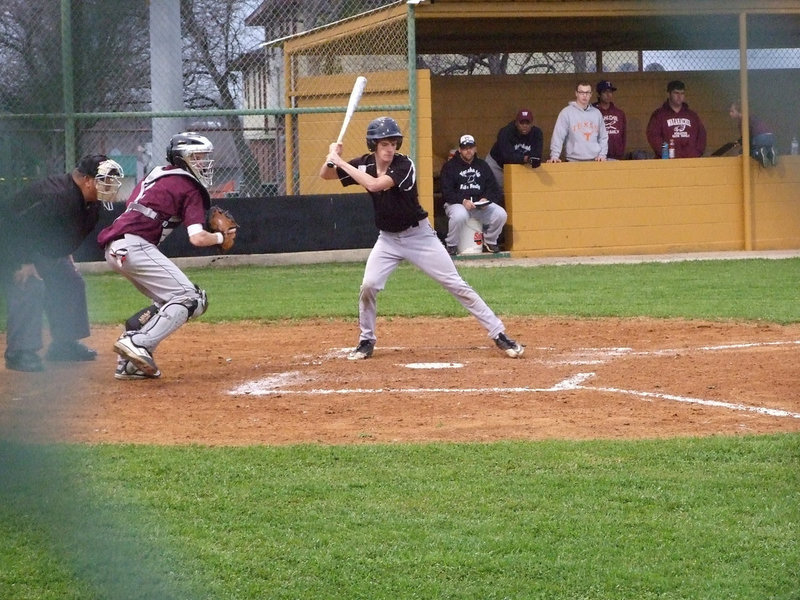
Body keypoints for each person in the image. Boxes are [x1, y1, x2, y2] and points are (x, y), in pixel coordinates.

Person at [320, 116, 524, 361]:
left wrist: (341, 162)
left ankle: (499, 333)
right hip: (388, 240)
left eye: (393, 143)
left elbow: (375, 185)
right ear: (373, 145)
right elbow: (326, 176)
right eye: (384, 144)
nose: (389, 149)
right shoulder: (364, 164)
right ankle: (366, 340)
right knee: (369, 286)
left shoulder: (404, 165)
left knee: (456, 284)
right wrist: (331, 159)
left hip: (419, 237)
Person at [97, 132, 236, 380]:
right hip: (135, 246)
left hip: (115, 248)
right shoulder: (190, 186)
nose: (204, 163)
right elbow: (197, 238)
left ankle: (128, 362)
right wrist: (219, 237)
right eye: (198, 157)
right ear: (182, 158)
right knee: (191, 298)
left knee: (167, 301)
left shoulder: (155, 175)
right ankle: (139, 343)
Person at [1, 155, 124, 372]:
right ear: (87, 180)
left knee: (70, 281)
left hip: (36, 246)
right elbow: (15, 226)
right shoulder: (57, 196)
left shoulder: (91, 201)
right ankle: (19, 353)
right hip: (11, 245)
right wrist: (24, 262)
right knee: (30, 286)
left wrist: (65, 253)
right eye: (104, 180)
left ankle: (63, 345)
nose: (109, 185)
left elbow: (62, 230)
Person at [439, 134, 506, 255]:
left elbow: (493, 188)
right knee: (459, 215)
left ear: (475, 148)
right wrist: (463, 201)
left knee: (500, 214)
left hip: (479, 206)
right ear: (460, 150)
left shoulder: (482, 165)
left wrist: (486, 199)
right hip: (457, 204)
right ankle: (451, 245)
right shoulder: (450, 166)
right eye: (465, 148)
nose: (468, 150)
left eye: (470, 147)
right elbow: (446, 192)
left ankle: (490, 241)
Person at [485, 108, 543, 195]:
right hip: (497, 164)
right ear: (516, 123)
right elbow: (507, 156)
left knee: (520, 192)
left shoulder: (537, 133)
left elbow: (537, 155)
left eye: (527, 123)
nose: (525, 126)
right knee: (498, 191)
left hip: (519, 166)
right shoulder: (506, 132)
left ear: (532, 124)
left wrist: (532, 159)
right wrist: (526, 158)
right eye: (522, 123)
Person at [548, 80, 608, 163]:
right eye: (581, 92)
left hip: (594, 161)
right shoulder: (566, 112)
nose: (584, 95)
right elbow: (558, 136)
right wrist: (554, 155)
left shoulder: (597, 113)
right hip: (573, 161)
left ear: (591, 94)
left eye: (587, 93)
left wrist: (602, 155)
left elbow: (603, 137)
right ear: (576, 93)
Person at [646, 80, 707, 159]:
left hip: (690, 159)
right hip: (667, 160)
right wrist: (667, 154)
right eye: (676, 93)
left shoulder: (692, 116)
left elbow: (702, 136)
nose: (679, 96)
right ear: (668, 94)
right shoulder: (659, 115)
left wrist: (695, 153)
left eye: (682, 93)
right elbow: (654, 136)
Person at [728, 101, 777, 167]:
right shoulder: (752, 116)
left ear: (739, 111)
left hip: (760, 137)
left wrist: (740, 146)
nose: (730, 114)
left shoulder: (743, 120)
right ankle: (771, 152)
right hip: (771, 136)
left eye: (732, 111)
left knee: (749, 152)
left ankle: (759, 153)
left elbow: (746, 137)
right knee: (765, 149)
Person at [593, 80, 627, 160]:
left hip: (616, 156)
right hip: (597, 157)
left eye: (610, 92)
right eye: (605, 92)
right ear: (598, 94)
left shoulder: (619, 113)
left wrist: (620, 152)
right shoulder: (592, 112)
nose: (608, 95)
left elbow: (623, 135)